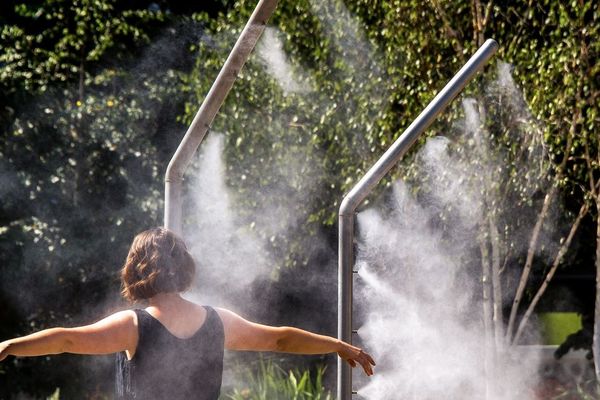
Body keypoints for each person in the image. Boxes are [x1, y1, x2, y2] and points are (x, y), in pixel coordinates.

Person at [0, 227, 375, 399]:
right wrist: (337, 345)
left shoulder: (133, 325)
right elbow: (279, 337)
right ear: (184, 268)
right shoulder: (218, 321)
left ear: (135, 269)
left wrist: (8, 345)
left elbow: (65, 339)